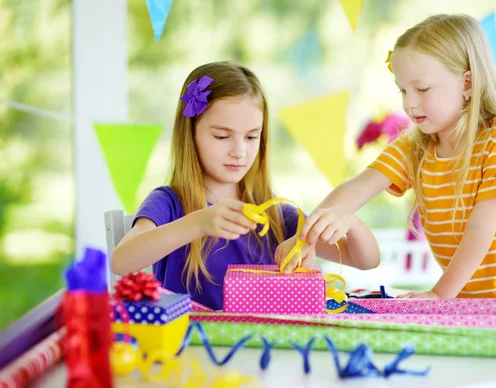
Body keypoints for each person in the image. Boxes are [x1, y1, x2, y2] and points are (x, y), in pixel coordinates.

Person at [291, 14, 496, 313]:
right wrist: (308, 235)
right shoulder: (415, 146)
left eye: (422, 89)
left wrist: (439, 294)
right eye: (403, 90)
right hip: (470, 309)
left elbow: (480, 230)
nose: (409, 103)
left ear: (467, 83)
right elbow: (359, 187)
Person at [111, 61, 380, 310]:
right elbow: (121, 261)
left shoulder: (276, 216)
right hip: (188, 349)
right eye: (222, 136)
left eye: (251, 136)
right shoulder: (169, 202)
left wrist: (348, 219)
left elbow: (365, 260)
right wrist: (198, 223)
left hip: (262, 351)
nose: (239, 151)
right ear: (190, 134)